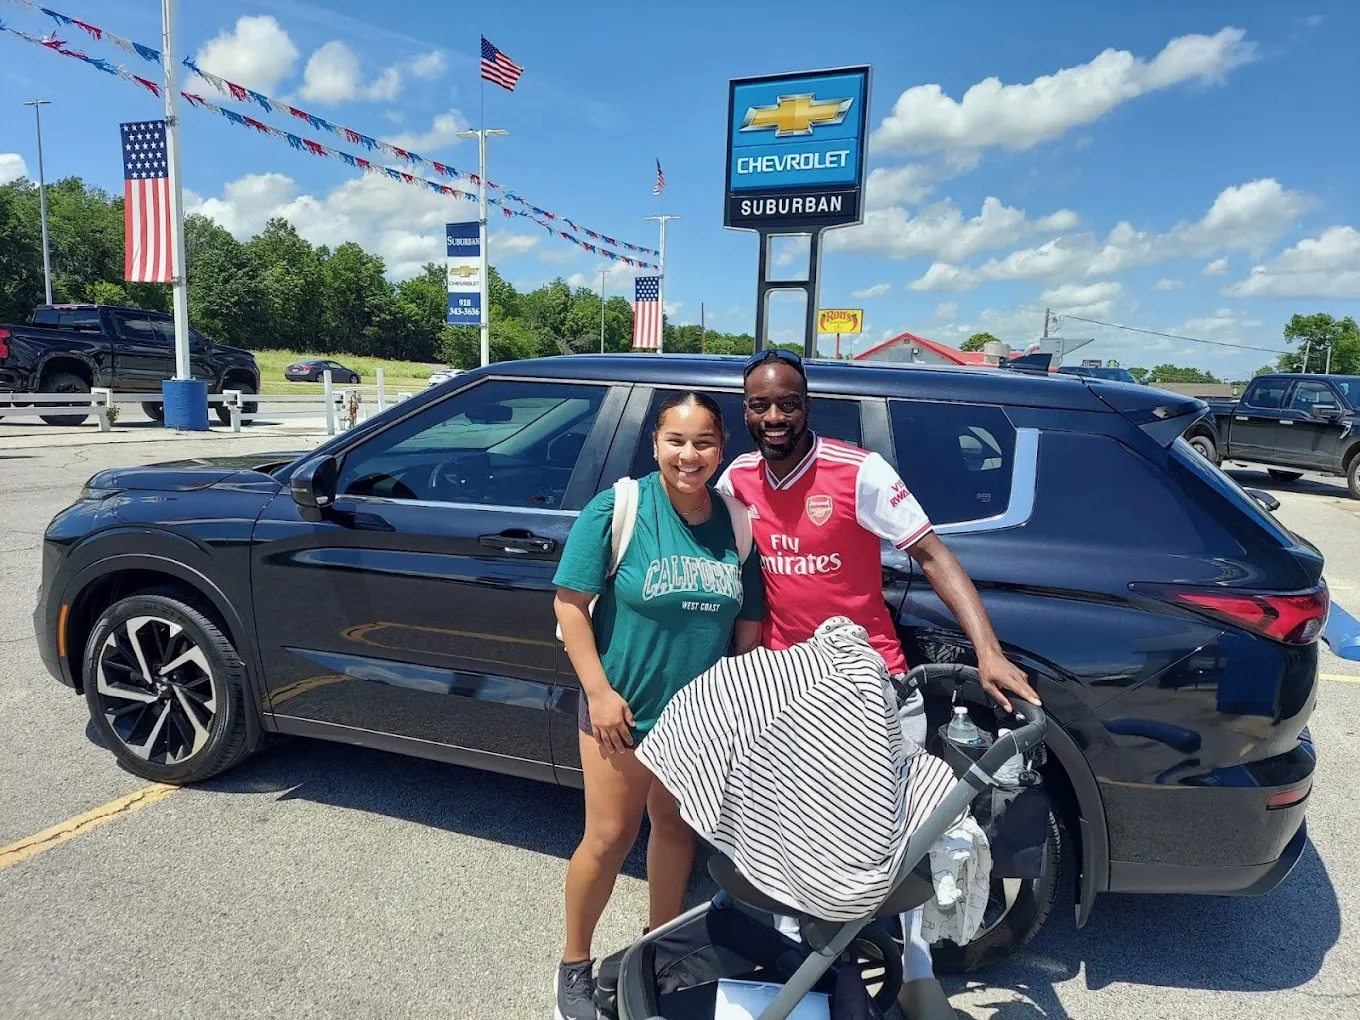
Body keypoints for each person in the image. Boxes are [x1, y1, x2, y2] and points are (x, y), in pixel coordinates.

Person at [715, 348, 1041, 1019]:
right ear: (745, 410)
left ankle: (917, 970)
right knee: (791, 837)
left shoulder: (857, 471)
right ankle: (797, 971)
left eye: (788, 402)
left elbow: (931, 552)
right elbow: (714, 562)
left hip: (875, 685)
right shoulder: (738, 478)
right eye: (760, 404)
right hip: (788, 691)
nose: (774, 416)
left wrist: (988, 651)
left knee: (898, 839)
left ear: (808, 405)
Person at [551, 391, 765, 1020]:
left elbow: (747, 622)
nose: (689, 455)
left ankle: (659, 953)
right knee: (611, 836)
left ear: (721, 449)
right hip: (622, 711)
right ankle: (574, 965)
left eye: (703, 442)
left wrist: (737, 695)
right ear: (656, 444)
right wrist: (599, 693)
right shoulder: (618, 508)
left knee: (674, 831)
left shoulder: (735, 521)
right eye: (676, 440)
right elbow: (570, 605)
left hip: (698, 720)